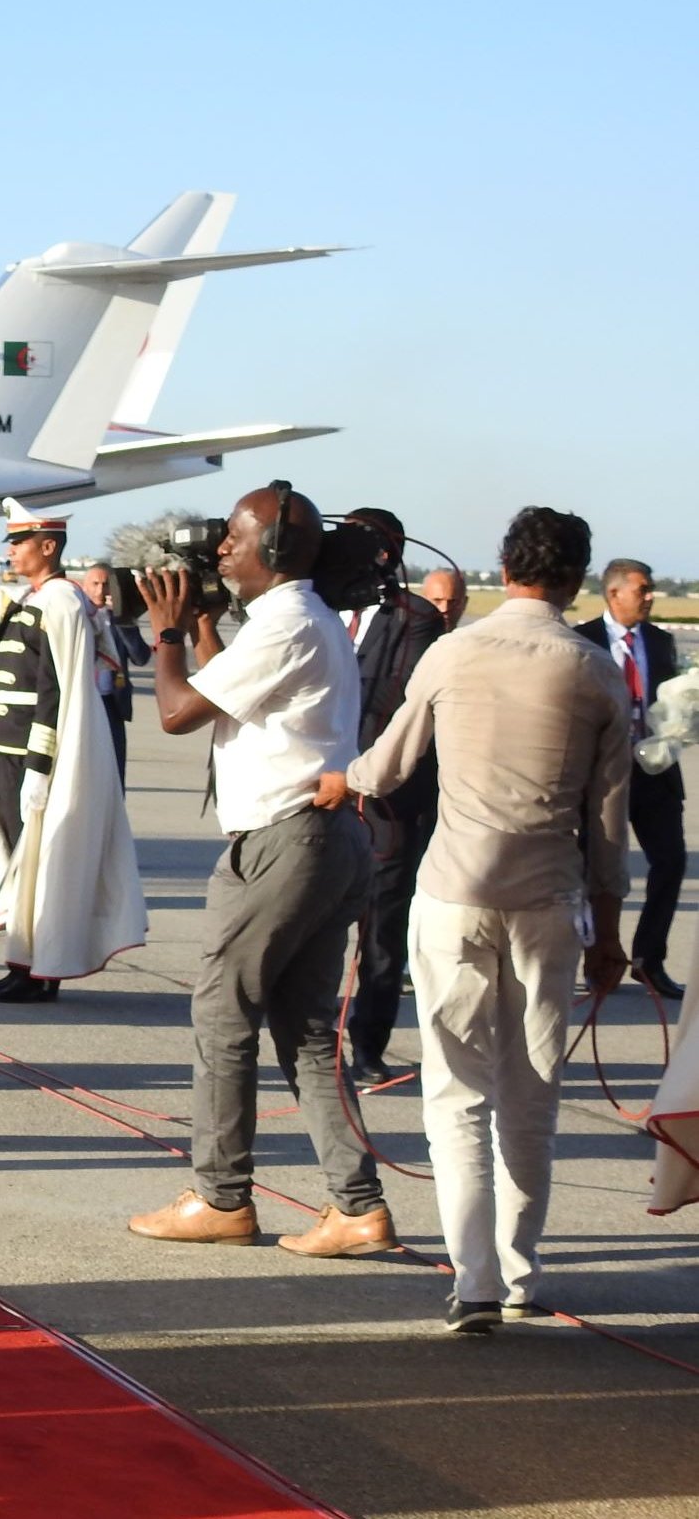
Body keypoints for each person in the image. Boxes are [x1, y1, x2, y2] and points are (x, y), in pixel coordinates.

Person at [322, 505, 630, 1333]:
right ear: (575, 579)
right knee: (532, 1098)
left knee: (456, 1093)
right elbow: (608, 825)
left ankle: (475, 1280)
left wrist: (335, 779)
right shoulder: (594, 670)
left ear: (505, 565)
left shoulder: (453, 652)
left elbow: (385, 769)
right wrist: (612, 928)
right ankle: (523, 1271)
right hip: (549, 902)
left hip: (455, 893)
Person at [125, 481, 393, 1256]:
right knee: (307, 1034)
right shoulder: (299, 619)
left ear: (272, 553)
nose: (219, 551)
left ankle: (220, 1197)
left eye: (234, 542)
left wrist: (167, 634)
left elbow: (176, 713)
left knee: (222, 1015)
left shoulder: (287, 625)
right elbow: (228, 697)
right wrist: (204, 625)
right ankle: (356, 1206)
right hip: (324, 840)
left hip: (283, 842)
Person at [0, 500, 145, 1002]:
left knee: (36, 861)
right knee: (16, 857)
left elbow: (56, 688)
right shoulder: (29, 599)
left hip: (28, 751)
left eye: (20, 541)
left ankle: (41, 971)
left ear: (48, 546)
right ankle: (22, 961)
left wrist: (40, 763)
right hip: (0, 746)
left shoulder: (60, 602)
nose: (11, 550)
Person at [339, 508, 447, 1084]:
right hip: (316, 797)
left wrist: (352, 773)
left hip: (383, 803)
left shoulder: (418, 620)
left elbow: (394, 704)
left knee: (381, 936)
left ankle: (368, 1047)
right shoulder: (318, 608)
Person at [577, 559, 684, 1000]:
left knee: (671, 861)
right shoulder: (582, 640)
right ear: (614, 593)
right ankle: (595, 958)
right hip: (601, 775)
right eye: (643, 589)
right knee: (594, 869)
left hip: (655, 773)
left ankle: (648, 959)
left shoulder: (660, 642)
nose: (650, 595)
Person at [79, 562, 149, 781]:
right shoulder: (78, 617)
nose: (101, 590)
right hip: (84, 702)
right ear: (84, 586)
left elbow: (141, 657)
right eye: (95, 584)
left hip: (113, 704)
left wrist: (125, 623)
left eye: (106, 584)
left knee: (115, 775)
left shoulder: (119, 619)